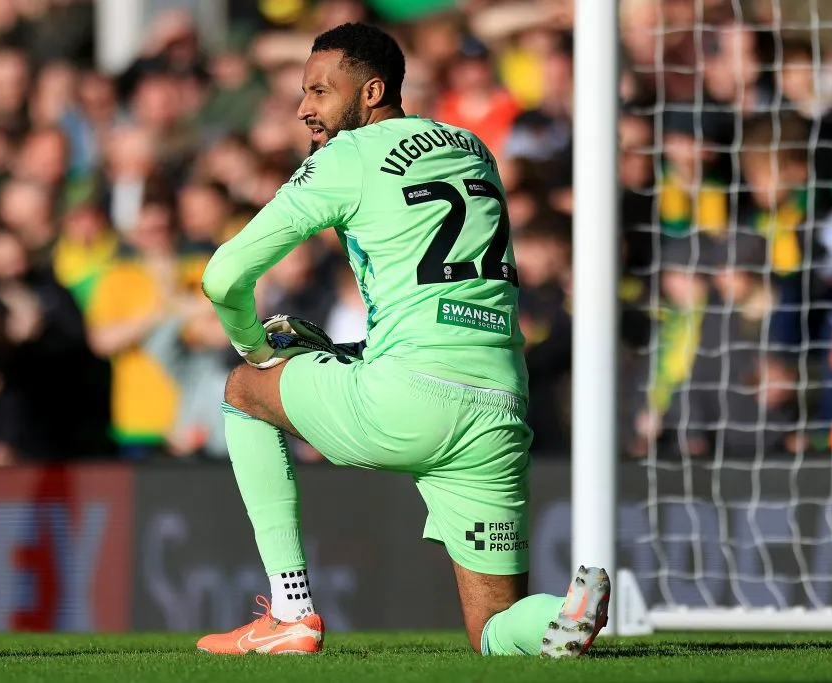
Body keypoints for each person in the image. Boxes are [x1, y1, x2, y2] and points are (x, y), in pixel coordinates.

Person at [196, 22, 608, 658]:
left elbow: (223, 276)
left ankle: (290, 612)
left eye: (319, 91)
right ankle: (566, 607)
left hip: (409, 396)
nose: (304, 107)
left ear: (371, 92)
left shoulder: (347, 157)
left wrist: (258, 351)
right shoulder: (473, 147)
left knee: (243, 393)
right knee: (495, 637)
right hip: (497, 406)